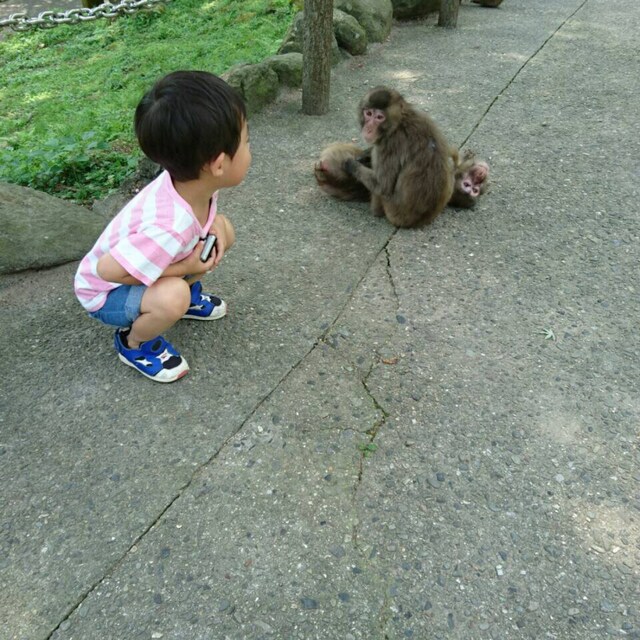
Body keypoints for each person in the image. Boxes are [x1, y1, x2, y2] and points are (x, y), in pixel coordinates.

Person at [74, 70, 250, 383]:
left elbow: (204, 227)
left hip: (147, 263)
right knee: (173, 297)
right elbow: (107, 270)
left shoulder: (192, 181)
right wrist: (185, 267)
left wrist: (211, 233)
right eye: (247, 142)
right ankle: (134, 343)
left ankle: (183, 296)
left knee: (223, 228)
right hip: (105, 293)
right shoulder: (168, 226)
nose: (250, 150)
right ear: (219, 164)